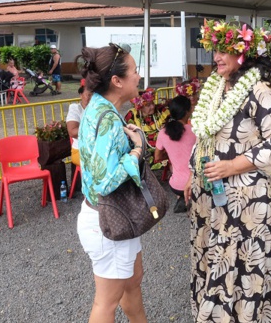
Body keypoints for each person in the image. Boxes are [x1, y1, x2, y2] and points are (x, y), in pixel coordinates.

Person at [185, 19, 271, 322]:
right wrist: (193, 173)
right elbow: (204, 134)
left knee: (243, 256)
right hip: (213, 193)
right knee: (215, 251)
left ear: (243, 54)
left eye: (223, 51)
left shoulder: (261, 91)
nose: (216, 57)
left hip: (248, 200)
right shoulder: (217, 86)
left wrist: (231, 166)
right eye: (214, 51)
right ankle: (216, 311)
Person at [76, 44, 147, 323]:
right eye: (134, 71)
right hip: (108, 219)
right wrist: (137, 150)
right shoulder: (107, 119)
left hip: (112, 216)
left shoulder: (98, 107)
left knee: (133, 283)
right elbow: (105, 181)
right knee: (106, 303)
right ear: (117, 81)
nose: (138, 76)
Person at [154, 96, 196, 213]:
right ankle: (190, 199)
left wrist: (171, 154)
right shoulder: (195, 130)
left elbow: (157, 157)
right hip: (195, 183)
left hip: (175, 186)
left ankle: (183, 197)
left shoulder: (163, 132)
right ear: (188, 111)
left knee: (174, 166)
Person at [66, 86, 93, 167]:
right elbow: (72, 132)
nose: (91, 98)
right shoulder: (75, 108)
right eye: (89, 95)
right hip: (80, 150)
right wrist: (96, 129)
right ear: (81, 95)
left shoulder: (98, 108)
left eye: (94, 96)